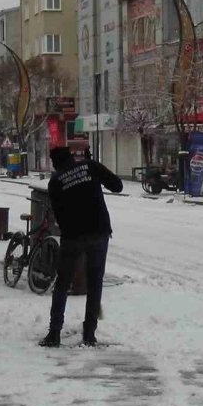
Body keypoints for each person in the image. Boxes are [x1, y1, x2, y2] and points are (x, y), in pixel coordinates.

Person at [39, 146, 123, 347]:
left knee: (62, 284)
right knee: (95, 283)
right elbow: (117, 186)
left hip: (73, 237)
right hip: (99, 231)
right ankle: (89, 334)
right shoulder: (90, 166)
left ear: (55, 163)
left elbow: (58, 216)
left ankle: (54, 333)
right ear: (71, 158)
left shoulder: (55, 182)